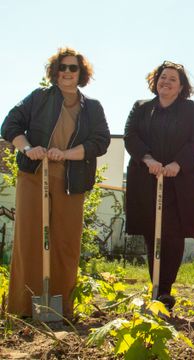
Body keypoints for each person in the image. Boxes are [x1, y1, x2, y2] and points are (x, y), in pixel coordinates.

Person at [1, 47, 111, 318]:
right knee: (30, 239)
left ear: (81, 73)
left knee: (66, 243)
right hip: (34, 176)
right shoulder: (38, 98)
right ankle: (23, 307)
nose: (67, 72)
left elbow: (101, 141)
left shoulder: (92, 107)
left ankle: (61, 311)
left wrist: (66, 154)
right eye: (62, 67)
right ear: (55, 71)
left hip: (72, 180)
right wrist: (28, 149)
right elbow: (10, 125)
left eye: (73, 68)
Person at [124, 61, 194, 310]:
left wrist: (177, 164)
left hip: (179, 182)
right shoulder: (141, 108)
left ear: (181, 86)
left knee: (173, 234)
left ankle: (166, 290)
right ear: (155, 81)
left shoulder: (191, 109)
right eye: (163, 77)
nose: (166, 81)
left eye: (172, 79)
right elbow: (130, 135)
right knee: (153, 233)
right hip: (147, 181)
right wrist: (148, 159)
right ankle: (156, 288)